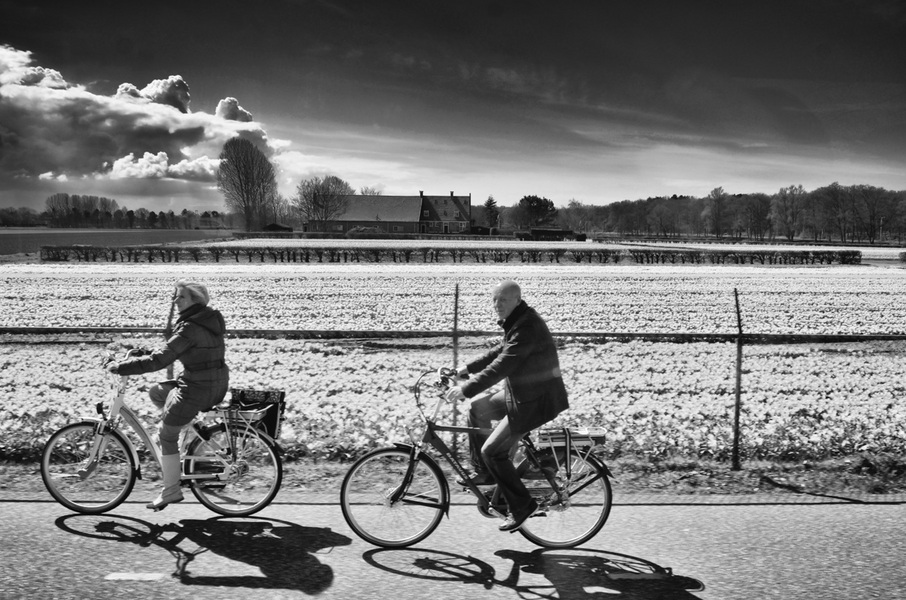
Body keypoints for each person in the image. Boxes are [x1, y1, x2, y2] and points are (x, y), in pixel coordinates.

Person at [445, 280, 568, 532]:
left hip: (535, 401)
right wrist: (465, 370)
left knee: (492, 451)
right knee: (477, 408)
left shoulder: (527, 327)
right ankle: (486, 472)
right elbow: (498, 353)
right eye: (494, 300)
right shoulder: (518, 321)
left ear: (517, 300)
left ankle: (522, 506)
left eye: (502, 300)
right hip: (522, 394)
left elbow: (503, 365)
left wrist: (465, 389)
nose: (496, 305)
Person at [106, 281, 229, 511]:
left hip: (198, 388)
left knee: (166, 435)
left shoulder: (190, 327)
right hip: (212, 382)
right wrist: (141, 353)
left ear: (195, 301)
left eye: (181, 297)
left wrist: (121, 367)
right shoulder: (204, 320)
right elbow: (172, 350)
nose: (175, 301)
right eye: (176, 296)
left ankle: (171, 490)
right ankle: (188, 439)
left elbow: (160, 360)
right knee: (157, 392)